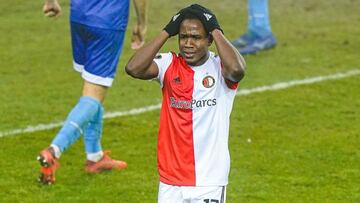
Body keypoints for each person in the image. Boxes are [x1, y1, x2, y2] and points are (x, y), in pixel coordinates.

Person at [125, 4, 246, 202]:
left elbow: (238, 70)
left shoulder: (220, 68)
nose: (188, 43)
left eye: (196, 37)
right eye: (183, 37)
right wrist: (167, 30)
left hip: (209, 180)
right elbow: (133, 68)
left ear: (209, 40)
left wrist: (215, 28)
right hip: (171, 179)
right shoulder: (168, 64)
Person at [38, 0, 147, 185]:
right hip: (107, 21)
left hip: (79, 16)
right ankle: (53, 151)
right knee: (94, 93)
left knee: (93, 86)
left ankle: (95, 157)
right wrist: (141, 23)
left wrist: (50, 1)